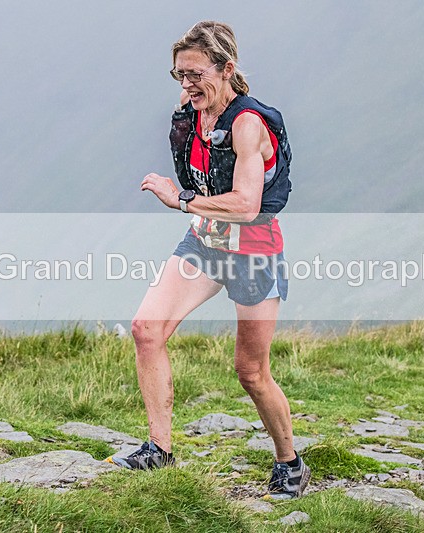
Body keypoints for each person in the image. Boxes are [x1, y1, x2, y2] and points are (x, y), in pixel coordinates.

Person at [106, 20, 309, 500]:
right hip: (205, 243)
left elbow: (246, 204)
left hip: (254, 251)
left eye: (196, 74)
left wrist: (179, 200)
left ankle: (290, 463)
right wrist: (191, 209)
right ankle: (159, 449)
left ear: (227, 68)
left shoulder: (247, 124)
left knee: (251, 372)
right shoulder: (193, 109)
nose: (187, 84)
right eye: (180, 74)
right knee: (146, 329)